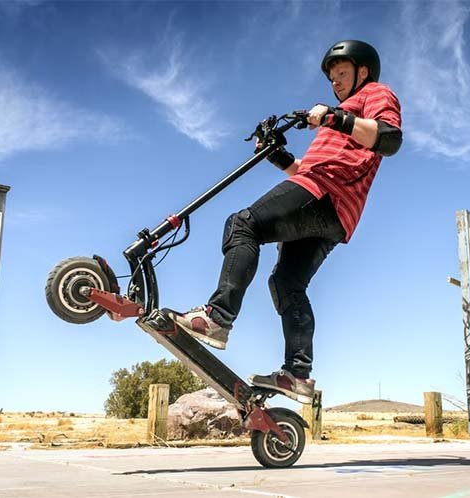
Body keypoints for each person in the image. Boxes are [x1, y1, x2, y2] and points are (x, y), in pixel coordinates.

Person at [171, 40, 402, 403]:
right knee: (286, 283)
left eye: (342, 73)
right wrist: (279, 157)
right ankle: (297, 375)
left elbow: (389, 139)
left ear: (363, 71)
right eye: (331, 78)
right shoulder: (339, 119)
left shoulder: (375, 93)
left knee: (243, 224)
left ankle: (218, 316)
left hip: (326, 194)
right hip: (331, 211)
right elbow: (308, 170)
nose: (335, 82)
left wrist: (335, 117)